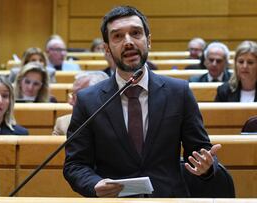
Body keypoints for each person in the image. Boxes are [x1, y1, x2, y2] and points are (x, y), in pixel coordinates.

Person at [63, 5, 221, 198]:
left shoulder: (178, 92)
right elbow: (75, 164)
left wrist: (206, 166)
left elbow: (200, 150)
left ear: (148, 40)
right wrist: (94, 184)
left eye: (136, 33)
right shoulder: (88, 100)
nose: (128, 42)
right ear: (106, 49)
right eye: (118, 36)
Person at [52, 71, 109, 135]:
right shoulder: (63, 124)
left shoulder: (117, 123)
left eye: (77, 95)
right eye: (72, 95)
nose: (70, 102)